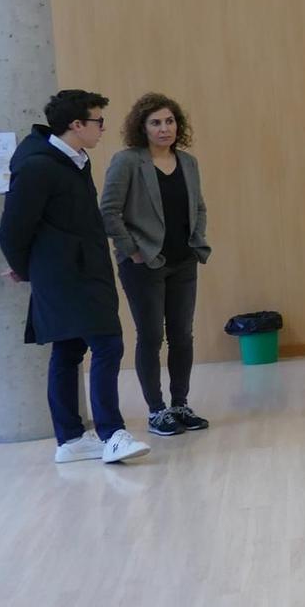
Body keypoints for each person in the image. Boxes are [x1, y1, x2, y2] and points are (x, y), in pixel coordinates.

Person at [0, 89, 149, 464]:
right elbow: (11, 230)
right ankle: (113, 435)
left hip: (84, 269)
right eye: (97, 121)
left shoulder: (75, 159)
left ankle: (71, 440)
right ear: (76, 125)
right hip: (65, 277)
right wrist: (30, 269)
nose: (102, 129)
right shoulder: (37, 166)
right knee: (108, 344)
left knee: (68, 349)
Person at [100, 93, 211, 437]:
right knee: (151, 335)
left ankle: (180, 403)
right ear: (142, 127)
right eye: (156, 123)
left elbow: (199, 207)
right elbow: (109, 211)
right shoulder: (128, 161)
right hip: (143, 264)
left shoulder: (188, 162)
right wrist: (132, 250)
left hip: (183, 261)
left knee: (182, 335)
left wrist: (197, 241)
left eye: (170, 121)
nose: (165, 129)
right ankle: (156, 410)